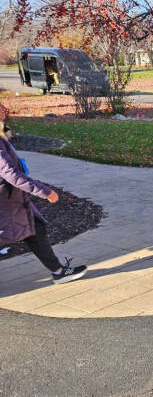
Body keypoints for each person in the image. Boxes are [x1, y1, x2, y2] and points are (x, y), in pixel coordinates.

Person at [0, 105, 87, 283]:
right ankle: (58, 271)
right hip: (6, 200)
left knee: (35, 228)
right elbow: (11, 174)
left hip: (13, 199)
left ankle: (58, 271)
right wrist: (44, 191)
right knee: (22, 230)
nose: (4, 107)